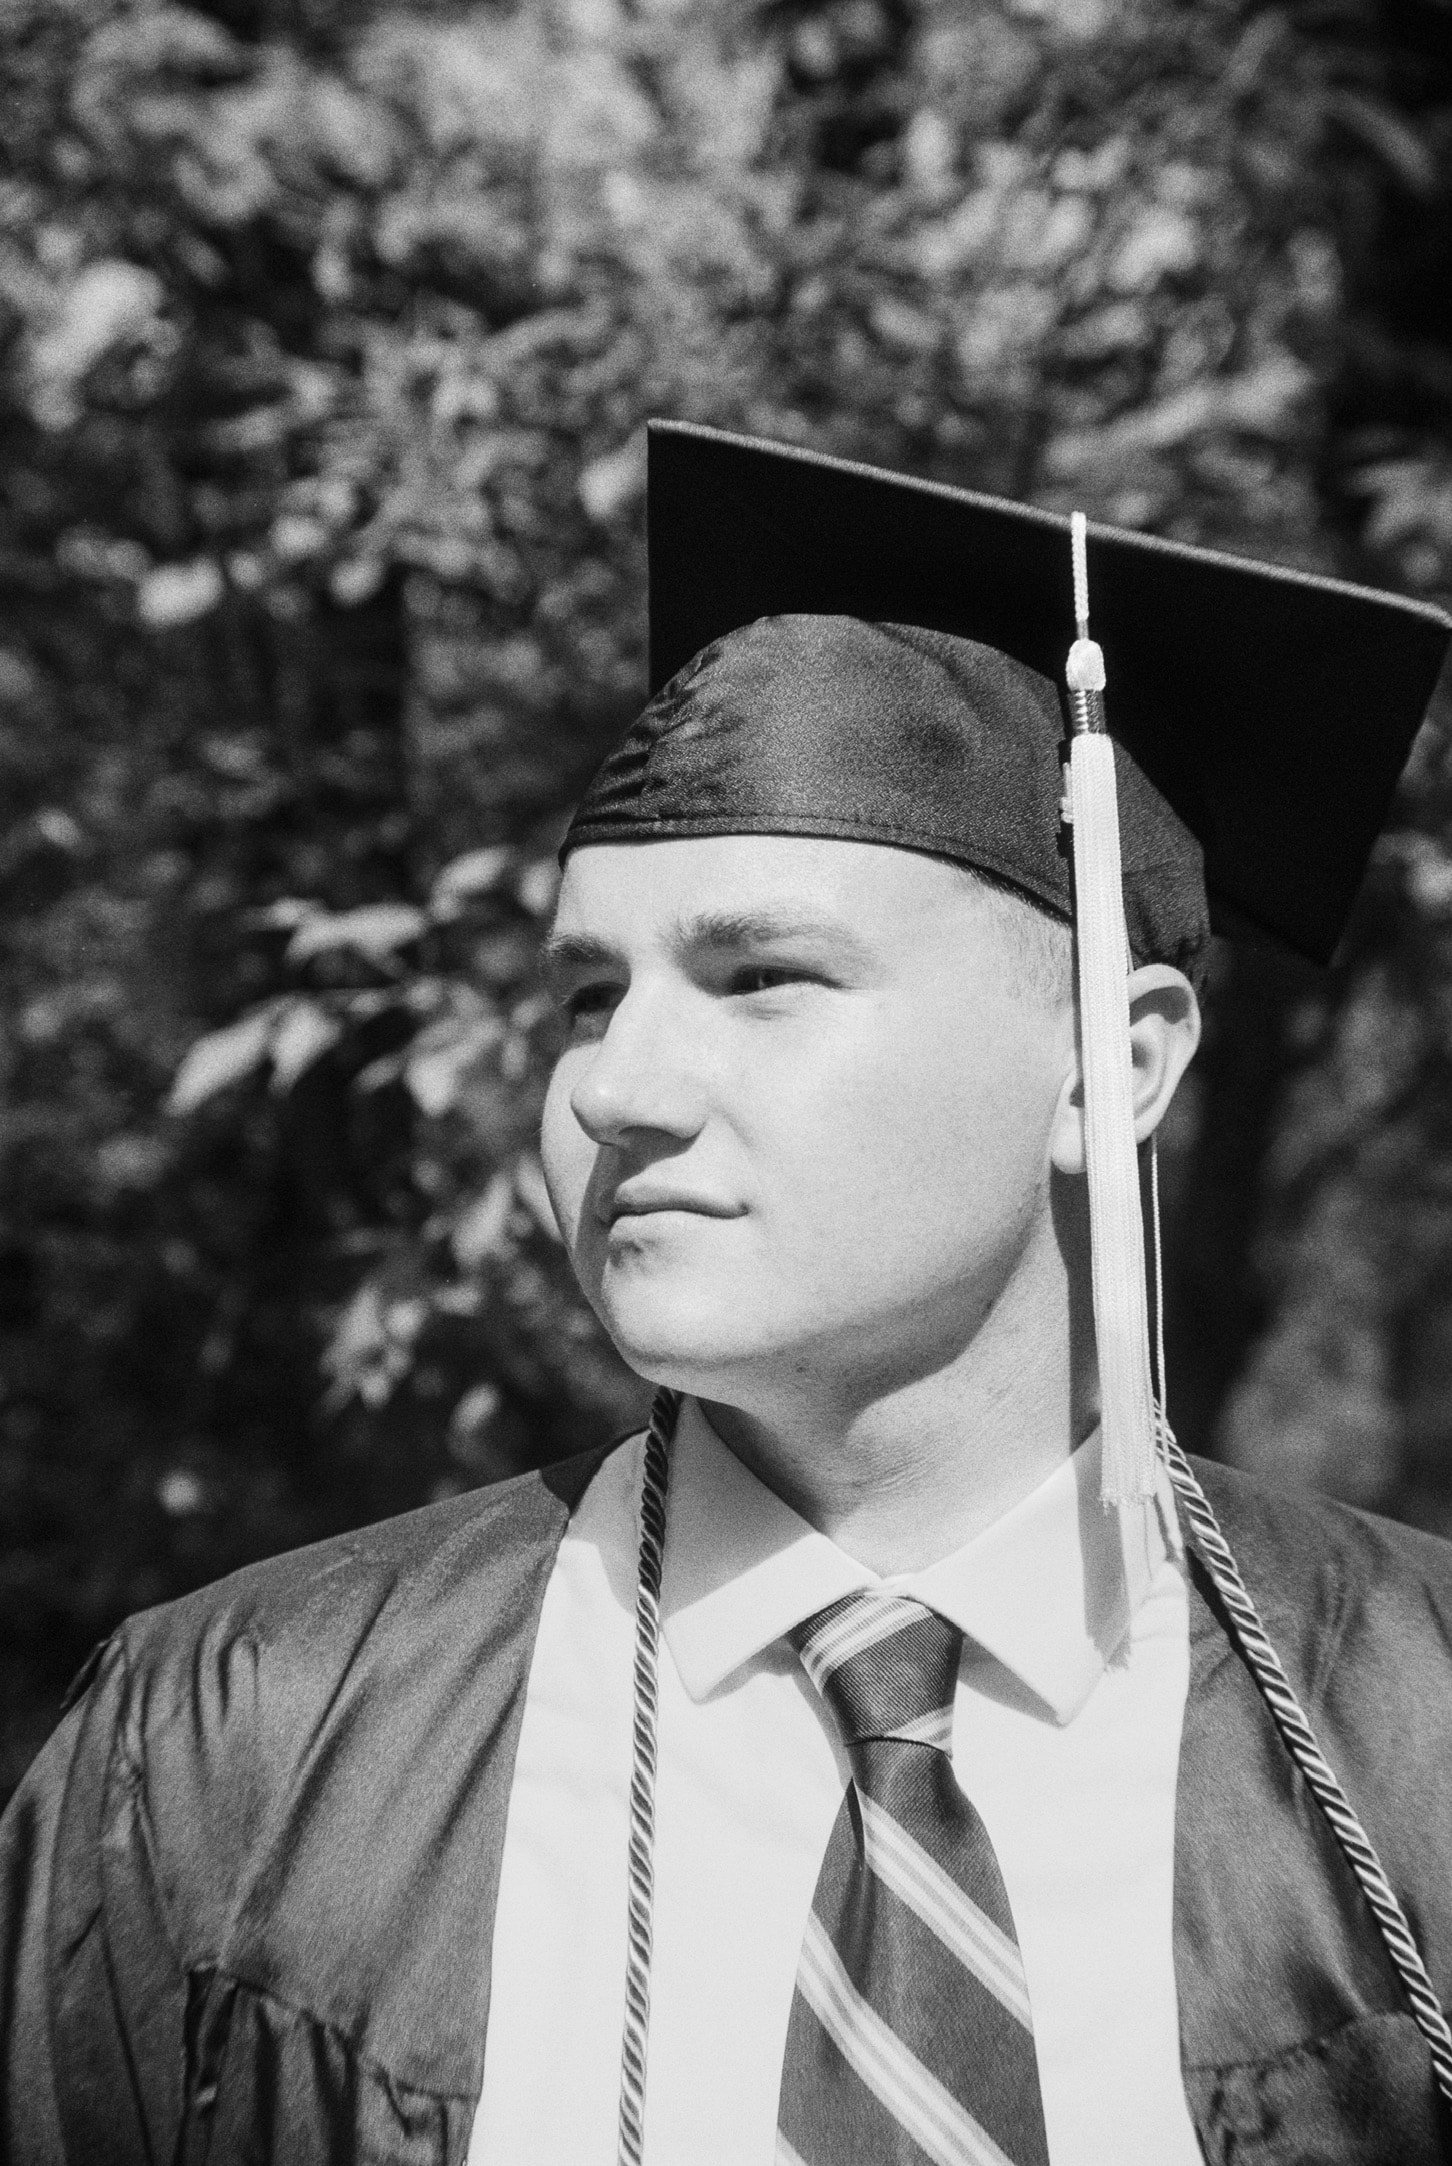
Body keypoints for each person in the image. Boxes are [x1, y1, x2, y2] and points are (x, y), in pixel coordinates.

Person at [3, 422, 1452, 2166]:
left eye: (761, 975)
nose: (616, 1086)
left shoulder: (1423, 1742)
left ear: (1108, 1063)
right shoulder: (231, 1754)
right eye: (584, 997)